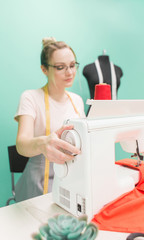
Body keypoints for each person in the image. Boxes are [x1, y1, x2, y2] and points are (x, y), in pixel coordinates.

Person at [14, 37, 86, 202]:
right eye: (60, 67)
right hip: (38, 182)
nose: (69, 72)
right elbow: (22, 144)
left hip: (70, 178)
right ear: (44, 69)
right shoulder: (30, 98)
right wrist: (44, 143)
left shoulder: (77, 100)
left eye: (72, 65)